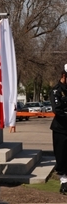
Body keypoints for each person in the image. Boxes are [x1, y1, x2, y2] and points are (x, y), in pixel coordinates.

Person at [50, 65, 67, 195]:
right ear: (64, 76)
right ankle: (64, 181)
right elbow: (58, 110)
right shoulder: (56, 91)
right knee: (61, 156)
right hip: (61, 128)